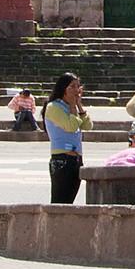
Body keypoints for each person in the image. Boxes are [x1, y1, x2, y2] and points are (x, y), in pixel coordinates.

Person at [44, 71, 90, 203]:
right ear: (63, 89)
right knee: (59, 202)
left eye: (78, 86)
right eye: (72, 87)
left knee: (69, 202)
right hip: (62, 160)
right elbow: (70, 126)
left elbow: (87, 125)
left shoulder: (73, 107)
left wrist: (79, 105)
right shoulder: (54, 107)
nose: (76, 90)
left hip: (76, 159)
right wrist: (72, 107)